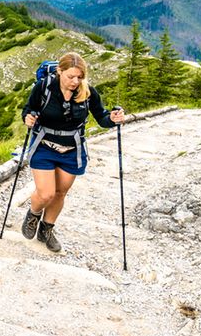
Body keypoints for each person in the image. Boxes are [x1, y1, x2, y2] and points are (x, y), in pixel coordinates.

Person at [19, 52, 125, 252]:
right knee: (46, 193)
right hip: (44, 145)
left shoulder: (88, 92)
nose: (75, 81)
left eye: (80, 77)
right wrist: (28, 118)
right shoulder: (43, 88)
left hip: (72, 149)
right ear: (60, 72)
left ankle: (46, 229)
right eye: (70, 77)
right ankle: (33, 214)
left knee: (60, 193)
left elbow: (101, 117)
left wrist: (113, 118)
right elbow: (28, 109)